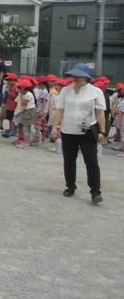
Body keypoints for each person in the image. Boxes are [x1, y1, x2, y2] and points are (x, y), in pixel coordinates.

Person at [51, 63, 107, 203]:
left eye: (79, 76)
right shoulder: (65, 91)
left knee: (91, 161)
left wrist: (102, 131)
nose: (75, 78)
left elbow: (100, 113)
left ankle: (95, 192)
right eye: (73, 75)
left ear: (86, 77)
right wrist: (54, 126)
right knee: (69, 160)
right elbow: (60, 110)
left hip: (87, 129)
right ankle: (70, 186)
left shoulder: (95, 91)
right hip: (68, 130)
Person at [15, 78, 36, 149]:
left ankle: (26, 144)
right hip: (27, 111)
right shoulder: (26, 94)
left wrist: (20, 95)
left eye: (20, 88)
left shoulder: (27, 95)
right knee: (26, 127)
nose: (18, 89)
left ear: (23, 88)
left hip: (29, 112)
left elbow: (23, 104)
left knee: (26, 128)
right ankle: (26, 142)